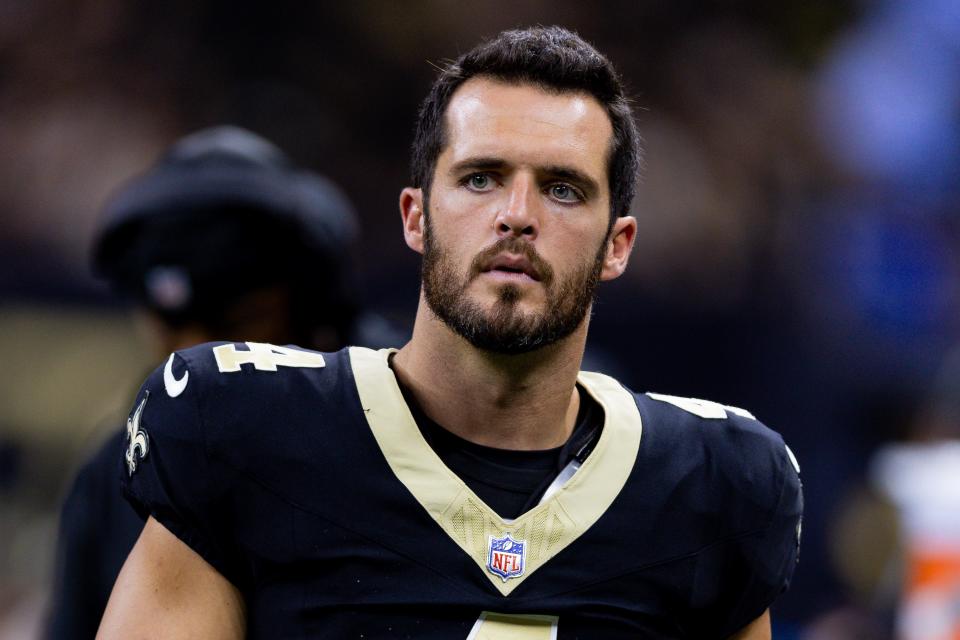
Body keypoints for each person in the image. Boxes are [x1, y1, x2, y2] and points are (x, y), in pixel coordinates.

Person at [98, 27, 802, 639]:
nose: (517, 214)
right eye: (480, 178)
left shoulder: (718, 487)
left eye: (563, 188)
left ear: (618, 245)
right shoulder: (244, 429)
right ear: (415, 216)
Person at [45, 125, 382, 639]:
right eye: (171, 328)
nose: (194, 360)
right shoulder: (116, 473)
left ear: (315, 308)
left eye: (235, 324)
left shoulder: (409, 429)